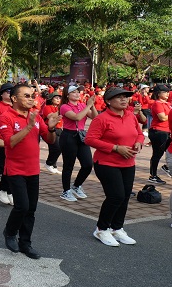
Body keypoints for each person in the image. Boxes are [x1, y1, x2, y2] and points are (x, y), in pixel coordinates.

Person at [0, 84, 59, 260]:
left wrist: (52, 128)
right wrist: (28, 126)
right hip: (15, 169)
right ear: (14, 98)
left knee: (31, 209)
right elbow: (9, 143)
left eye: (32, 95)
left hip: (33, 169)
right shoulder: (6, 117)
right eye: (26, 95)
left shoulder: (36, 116)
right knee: (22, 206)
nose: (31, 98)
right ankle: (10, 232)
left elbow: (50, 139)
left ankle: (26, 243)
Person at [85, 87, 142, 247]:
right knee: (116, 196)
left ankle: (117, 228)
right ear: (109, 101)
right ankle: (102, 229)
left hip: (128, 162)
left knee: (124, 197)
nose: (124, 100)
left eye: (126, 97)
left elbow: (139, 133)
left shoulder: (130, 115)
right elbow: (90, 139)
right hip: (106, 163)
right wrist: (116, 148)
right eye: (119, 97)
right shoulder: (102, 119)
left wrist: (138, 142)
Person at [59, 85, 98, 201]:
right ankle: (66, 191)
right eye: (74, 92)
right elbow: (76, 117)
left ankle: (76, 186)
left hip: (81, 136)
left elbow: (96, 118)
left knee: (87, 164)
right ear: (67, 95)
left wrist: (92, 105)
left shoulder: (82, 105)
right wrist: (89, 106)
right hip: (68, 136)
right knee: (68, 165)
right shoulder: (64, 107)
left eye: (78, 92)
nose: (77, 94)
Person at [148, 84, 170, 184]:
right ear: (158, 94)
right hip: (158, 131)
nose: (167, 93)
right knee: (157, 153)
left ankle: (167, 167)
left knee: (168, 152)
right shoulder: (157, 104)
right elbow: (163, 118)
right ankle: (153, 175)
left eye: (167, 91)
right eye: (164, 92)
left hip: (166, 131)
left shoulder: (167, 104)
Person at [42, 92, 63, 174]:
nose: (58, 99)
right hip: (50, 129)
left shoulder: (58, 107)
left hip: (59, 129)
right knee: (56, 147)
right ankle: (49, 163)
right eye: (56, 98)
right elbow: (51, 116)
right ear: (51, 99)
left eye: (59, 98)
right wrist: (61, 110)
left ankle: (53, 165)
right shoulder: (47, 107)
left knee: (58, 147)